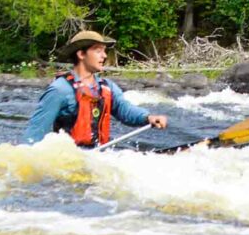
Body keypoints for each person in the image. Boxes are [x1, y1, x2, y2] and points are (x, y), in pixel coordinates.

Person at [25, 29, 167, 147]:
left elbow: (125, 110)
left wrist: (148, 117)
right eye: (97, 50)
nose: (104, 56)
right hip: (69, 161)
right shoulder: (60, 90)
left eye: (104, 51)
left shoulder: (107, 87)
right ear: (81, 54)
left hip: (98, 157)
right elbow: (35, 133)